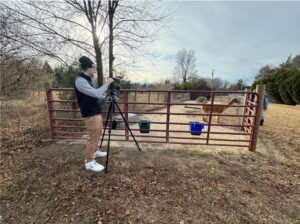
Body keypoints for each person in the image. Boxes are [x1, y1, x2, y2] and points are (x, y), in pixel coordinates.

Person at [74, 56, 114, 172]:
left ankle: (95, 151)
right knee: (93, 137)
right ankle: (89, 161)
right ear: (88, 68)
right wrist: (107, 84)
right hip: (90, 114)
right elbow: (96, 93)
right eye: (93, 68)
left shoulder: (87, 79)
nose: (95, 70)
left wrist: (108, 98)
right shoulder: (80, 80)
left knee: (98, 133)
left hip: (95, 111)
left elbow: (95, 96)